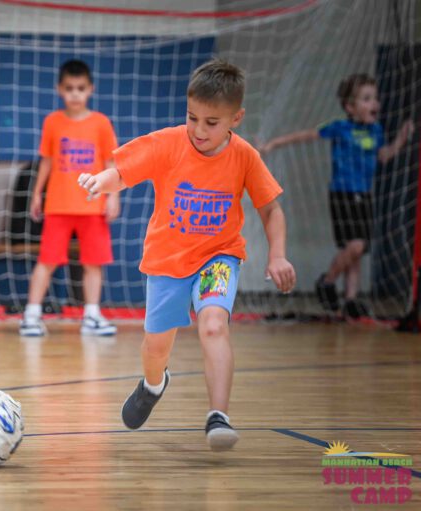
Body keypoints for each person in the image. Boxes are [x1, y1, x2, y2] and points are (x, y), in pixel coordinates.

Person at [78, 59, 296, 451]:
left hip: (219, 257)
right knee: (156, 348)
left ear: (236, 118)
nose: (198, 130)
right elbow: (123, 171)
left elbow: (271, 209)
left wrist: (277, 255)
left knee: (213, 324)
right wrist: (100, 182)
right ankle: (154, 383)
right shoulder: (168, 142)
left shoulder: (245, 156)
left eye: (211, 123)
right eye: (192, 117)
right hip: (167, 261)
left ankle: (218, 416)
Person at [258, 74, 414, 318]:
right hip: (343, 195)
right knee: (355, 246)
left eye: (375, 98)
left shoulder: (376, 130)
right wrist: (272, 144)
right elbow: (305, 135)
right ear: (350, 107)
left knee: (358, 252)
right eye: (366, 99)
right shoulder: (341, 128)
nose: (374, 103)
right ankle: (328, 281)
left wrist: (401, 140)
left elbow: (384, 155)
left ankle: (351, 300)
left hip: (365, 194)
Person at [19, 59, 120, 337]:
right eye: (69, 88)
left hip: (92, 205)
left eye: (81, 88)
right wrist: (37, 194)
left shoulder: (100, 123)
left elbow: (111, 164)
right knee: (47, 260)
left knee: (93, 263)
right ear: (59, 90)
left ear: (91, 89)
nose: (75, 93)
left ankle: (91, 315)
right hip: (59, 206)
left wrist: (112, 197)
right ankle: (31, 314)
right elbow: (47, 162)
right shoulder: (53, 122)